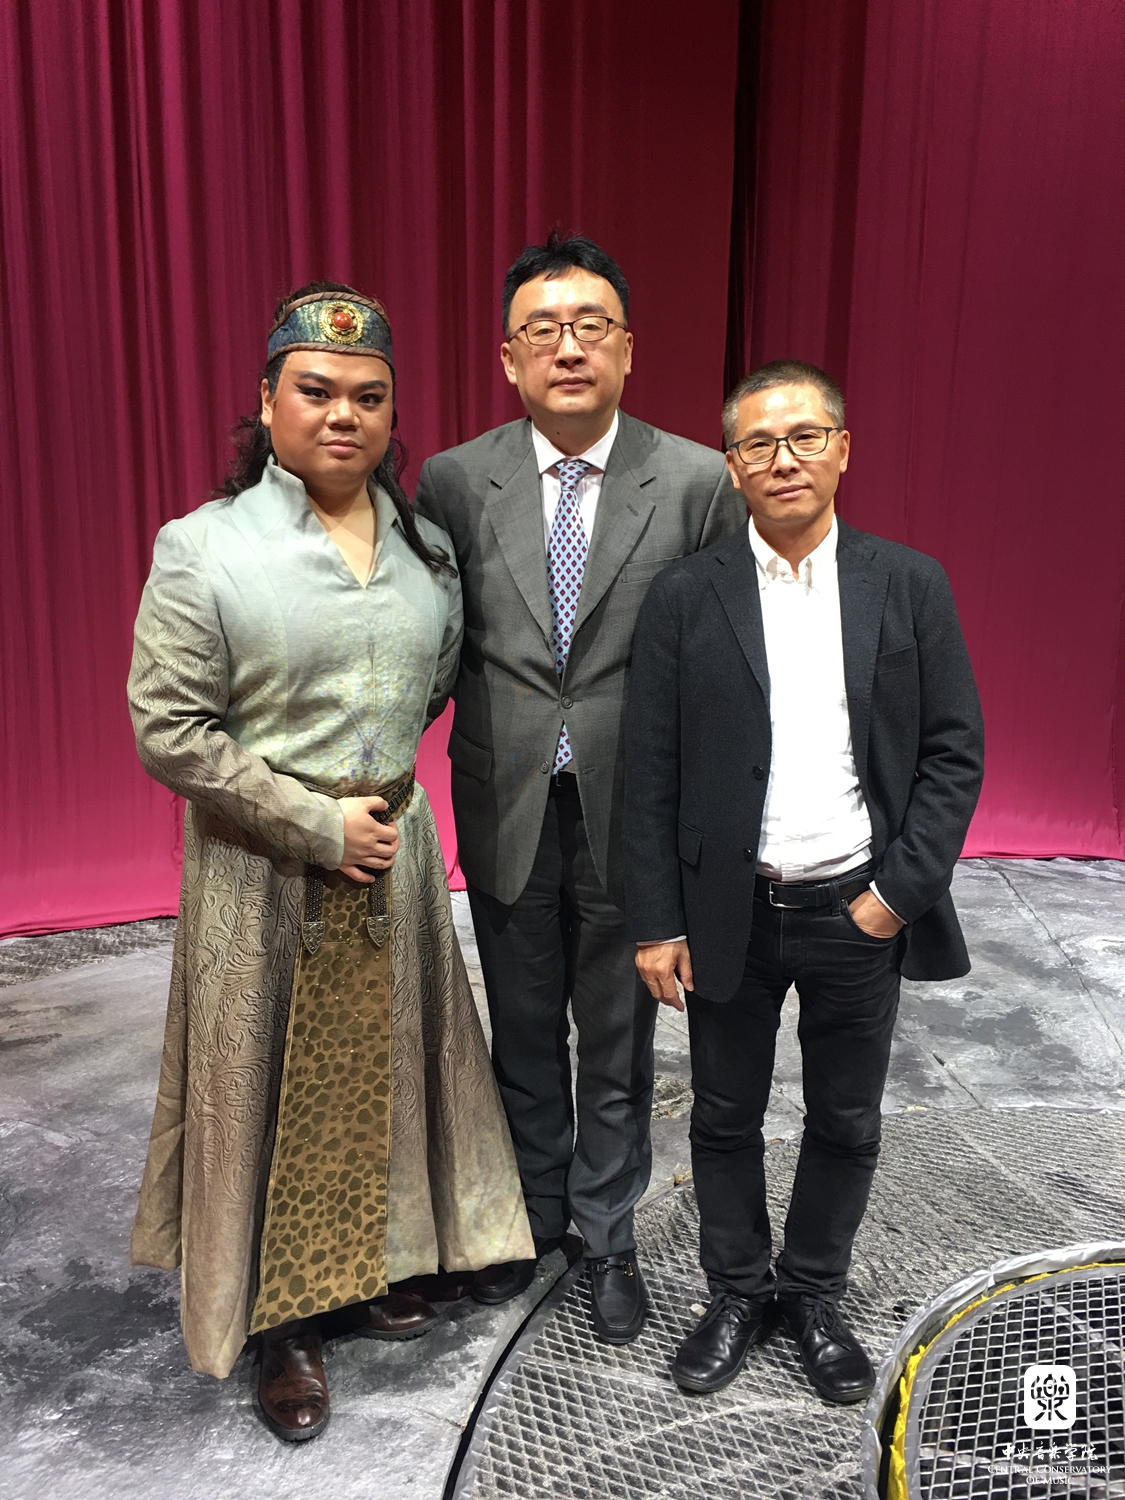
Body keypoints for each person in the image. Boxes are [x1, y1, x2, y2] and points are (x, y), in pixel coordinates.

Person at [128, 281, 533, 1441]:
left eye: (368, 396)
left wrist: (374, 805)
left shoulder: (426, 551)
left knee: (383, 1076)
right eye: (315, 391)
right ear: (267, 402)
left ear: (392, 414)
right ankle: (281, 1320)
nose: (342, 414)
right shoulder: (206, 549)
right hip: (264, 868)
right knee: (266, 1088)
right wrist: (314, 822)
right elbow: (170, 728)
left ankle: (362, 1270)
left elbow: (434, 684)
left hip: (393, 857)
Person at [625, 359, 984, 1402]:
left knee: (846, 1121)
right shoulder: (684, 596)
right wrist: (656, 920)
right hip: (726, 912)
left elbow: (953, 751)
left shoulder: (907, 583)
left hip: (855, 909)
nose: (783, 459)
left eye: (804, 436)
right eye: (758, 443)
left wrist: (896, 895)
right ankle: (737, 1292)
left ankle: (815, 1294)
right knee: (723, 1117)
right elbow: (647, 771)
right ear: (732, 466)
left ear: (841, 448)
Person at [414, 233, 744, 1344]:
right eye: (543, 330)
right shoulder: (454, 480)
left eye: (590, 326)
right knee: (519, 1033)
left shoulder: (693, 481)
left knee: (614, 1043)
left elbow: (719, 665)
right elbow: (432, 640)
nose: (568, 348)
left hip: (631, 813)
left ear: (628, 349)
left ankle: (607, 1238)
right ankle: (529, 1219)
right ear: (508, 357)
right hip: (504, 799)